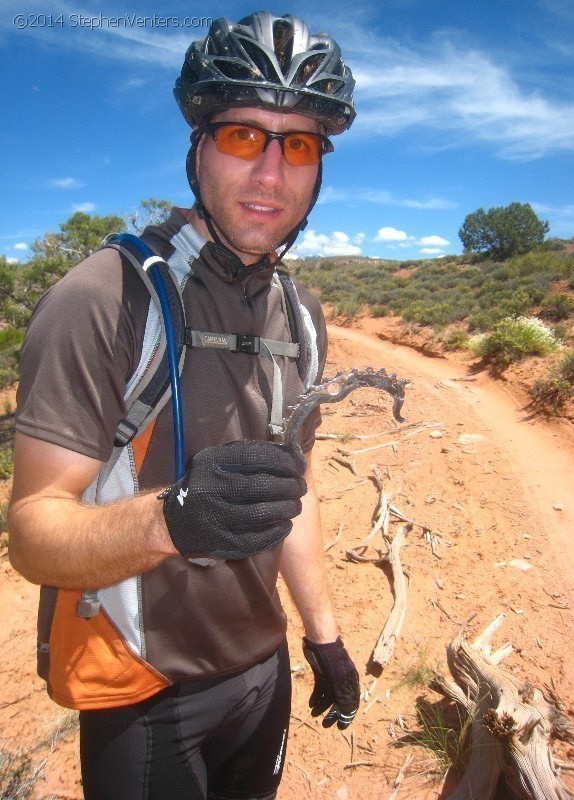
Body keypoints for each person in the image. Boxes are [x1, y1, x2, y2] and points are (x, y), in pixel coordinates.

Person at [8, 11, 359, 800]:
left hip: (260, 666)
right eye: (244, 137)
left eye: (298, 144)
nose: (271, 173)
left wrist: (322, 636)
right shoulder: (107, 298)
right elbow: (32, 532)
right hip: (142, 685)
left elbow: (291, 491)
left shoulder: (299, 316)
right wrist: (173, 518)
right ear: (197, 147)